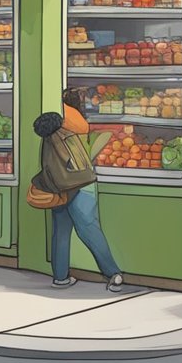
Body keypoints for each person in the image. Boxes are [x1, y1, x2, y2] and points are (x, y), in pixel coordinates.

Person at [36, 88, 125, 292]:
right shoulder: (79, 124)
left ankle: (60, 277)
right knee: (89, 229)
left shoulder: (53, 127)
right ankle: (113, 273)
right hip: (81, 183)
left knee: (61, 231)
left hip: (59, 184)